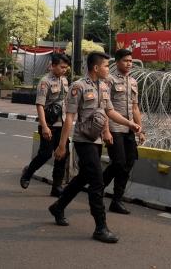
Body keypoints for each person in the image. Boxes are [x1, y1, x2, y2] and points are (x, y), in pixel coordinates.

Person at [48, 52, 141, 243]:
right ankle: (100, 227)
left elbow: (109, 111)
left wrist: (129, 124)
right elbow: (70, 118)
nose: (109, 69)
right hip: (83, 140)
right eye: (107, 66)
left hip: (97, 140)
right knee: (97, 182)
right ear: (96, 68)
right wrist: (62, 145)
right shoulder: (78, 87)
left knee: (83, 177)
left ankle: (58, 206)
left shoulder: (104, 87)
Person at [20, 53, 70, 196]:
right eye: (62, 67)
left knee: (62, 154)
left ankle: (57, 186)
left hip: (62, 124)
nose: (64, 70)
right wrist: (45, 127)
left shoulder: (65, 81)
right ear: (53, 66)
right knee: (45, 154)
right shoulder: (45, 82)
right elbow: (40, 105)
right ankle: (28, 173)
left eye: (66, 67)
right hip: (49, 124)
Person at [102, 49, 145, 215]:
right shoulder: (109, 80)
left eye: (131, 61)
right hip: (114, 127)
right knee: (118, 162)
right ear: (117, 62)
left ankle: (117, 200)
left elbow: (135, 107)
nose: (129, 64)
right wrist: (105, 131)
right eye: (126, 60)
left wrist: (140, 130)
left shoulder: (133, 82)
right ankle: (98, 189)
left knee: (128, 163)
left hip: (129, 128)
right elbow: (105, 107)